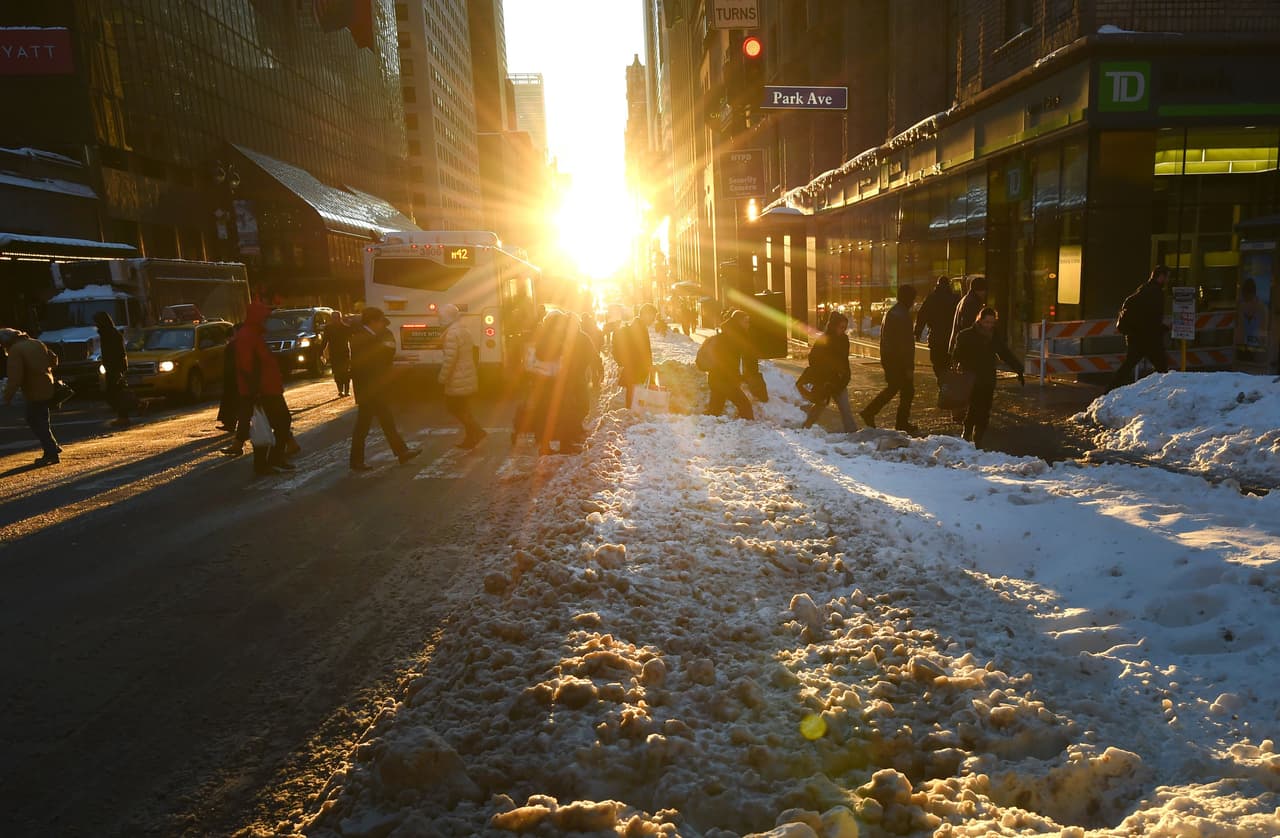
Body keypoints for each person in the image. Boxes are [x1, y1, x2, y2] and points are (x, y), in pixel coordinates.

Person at [229, 302, 298, 475]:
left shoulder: (254, 334)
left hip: (268, 389)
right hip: (263, 391)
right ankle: (268, 461)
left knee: (272, 424)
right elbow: (247, 367)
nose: (267, 320)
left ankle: (272, 460)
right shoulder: (248, 336)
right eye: (265, 317)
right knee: (275, 424)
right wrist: (255, 392)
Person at [349, 306, 420, 470]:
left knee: (382, 423)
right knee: (367, 427)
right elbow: (367, 366)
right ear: (373, 321)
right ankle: (358, 461)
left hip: (374, 389)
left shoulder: (370, 336)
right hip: (369, 390)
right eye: (380, 321)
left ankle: (401, 452)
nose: (382, 324)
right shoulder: (361, 338)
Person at [953, 306, 1024, 448]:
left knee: (985, 409)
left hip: (988, 377)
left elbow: (1005, 353)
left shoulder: (994, 336)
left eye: (992, 323)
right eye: (986, 322)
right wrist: (960, 365)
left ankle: (978, 438)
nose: (989, 326)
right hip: (972, 377)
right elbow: (957, 355)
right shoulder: (966, 335)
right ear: (980, 320)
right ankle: (967, 431)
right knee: (974, 406)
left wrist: (1019, 369)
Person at [860, 284, 919, 433]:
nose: (913, 302)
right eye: (913, 298)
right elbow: (905, 345)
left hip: (890, 358)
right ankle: (877, 414)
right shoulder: (902, 315)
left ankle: (875, 413)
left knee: (897, 388)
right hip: (898, 360)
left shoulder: (893, 312)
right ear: (909, 298)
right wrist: (908, 367)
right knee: (905, 390)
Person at [0, 327, 62, 465]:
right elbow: (53, 360)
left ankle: (51, 452)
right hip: (47, 384)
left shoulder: (15, 351)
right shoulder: (36, 343)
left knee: (35, 420)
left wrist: (7, 397)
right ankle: (52, 447)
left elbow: (15, 378)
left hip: (34, 389)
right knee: (42, 419)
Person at [1108, 265, 1171, 391]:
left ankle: (1109, 390)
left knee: (1128, 365)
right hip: (1149, 338)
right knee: (1161, 366)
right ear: (1161, 277)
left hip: (1136, 336)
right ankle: (1165, 393)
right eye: (1167, 277)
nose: (1168, 280)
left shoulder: (1143, 289)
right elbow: (1152, 317)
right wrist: (1163, 328)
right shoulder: (1156, 293)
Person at [799, 311, 857, 432]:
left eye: (845, 327)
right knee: (819, 406)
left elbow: (844, 360)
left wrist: (845, 375)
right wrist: (825, 371)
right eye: (841, 327)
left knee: (845, 410)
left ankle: (852, 433)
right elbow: (813, 358)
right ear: (833, 326)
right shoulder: (824, 339)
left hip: (839, 381)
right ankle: (805, 429)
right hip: (825, 381)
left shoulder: (844, 340)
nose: (844, 330)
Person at [437, 303, 485, 449]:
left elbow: (450, 360)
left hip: (457, 376)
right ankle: (472, 437)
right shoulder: (462, 330)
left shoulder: (452, 333)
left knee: (453, 407)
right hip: (466, 374)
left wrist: (442, 378)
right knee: (463, 407)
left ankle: (477, 431)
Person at [702, 309, 755, 420]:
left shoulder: (731, 335)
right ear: (738, 322)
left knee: (715, 410)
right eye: (745, 321)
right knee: (746, 407)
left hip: (718, 379)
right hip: (724, 379)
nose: (748, 324)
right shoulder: (732, 338)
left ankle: (705, 427)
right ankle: (750, 431)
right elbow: (728, 360)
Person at [915, 276, 959, 385]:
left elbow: (922, 316)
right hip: (950, 338)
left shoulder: (931, 298)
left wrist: (917, 332)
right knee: (948, 363)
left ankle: (942, 382)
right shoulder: (955, 299)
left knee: (937, 363)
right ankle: (946, 383)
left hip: (936, 337)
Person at [613, 303, 656, 408]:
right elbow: (642, 350)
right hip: (635, 368)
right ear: (645, 314)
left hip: (634, 367)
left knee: (634, 394)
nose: (653, 319)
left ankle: (632, 413)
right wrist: (648, 365)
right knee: (633, 395)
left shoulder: (639, 326)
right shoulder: (638, 327)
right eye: (652, 316)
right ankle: (631, 415)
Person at [94, 312, 133, 427]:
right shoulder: (106, 334)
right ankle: (134, 407)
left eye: (97, 322)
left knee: (116, 393)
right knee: (115, 392)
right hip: (110, 367)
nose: (96, 325)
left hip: (115, 367)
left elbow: (119, 352)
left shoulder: (112, 334)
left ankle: (123, 416)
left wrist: (119, 368)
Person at [948, 276, 989, 357]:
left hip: (962, 345)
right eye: (984, 290)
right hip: (968, 347)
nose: (985, 293)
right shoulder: (972, 303)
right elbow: (968, 326)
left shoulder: (966, 299)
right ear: (978, 290)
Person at [216, 323, 243, 432]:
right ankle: (233, 424)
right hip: (240, 378)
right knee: (237, 402)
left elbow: (229, 365)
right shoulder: (242, 344)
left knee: (232, 401)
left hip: (233, 378)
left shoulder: (232, 346)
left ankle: (231, 424)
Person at [319, 312, 352, 397]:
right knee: (337, 373)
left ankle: (346, 390)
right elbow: (325, 341)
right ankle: (340, 390)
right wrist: (320, 351)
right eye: (333, 318)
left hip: (344, 353)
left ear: (340, 318)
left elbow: (351, 341)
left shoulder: (346, 328)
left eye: (336, 318)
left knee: (345, 372)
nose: (335, 320)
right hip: (334, 354)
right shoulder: (328, 328)